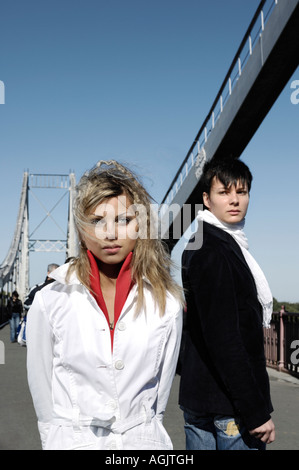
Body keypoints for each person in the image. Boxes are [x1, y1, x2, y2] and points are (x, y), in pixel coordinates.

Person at [26, 160, 183, 450]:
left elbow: (158, 402)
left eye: (124, 220)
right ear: (82, 230)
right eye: (97, 221)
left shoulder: (167, 304)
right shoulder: (50, 301)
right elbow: (42, 391)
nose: (110, 234)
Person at [179, 157, 275, 450]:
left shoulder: (201, 242)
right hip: (228, 408)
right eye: (224, 192)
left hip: (202, 399)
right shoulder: (214, 250)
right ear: (207, 199)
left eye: (242, 192)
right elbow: (225, 339)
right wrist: (255, 412)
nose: (234, 200)